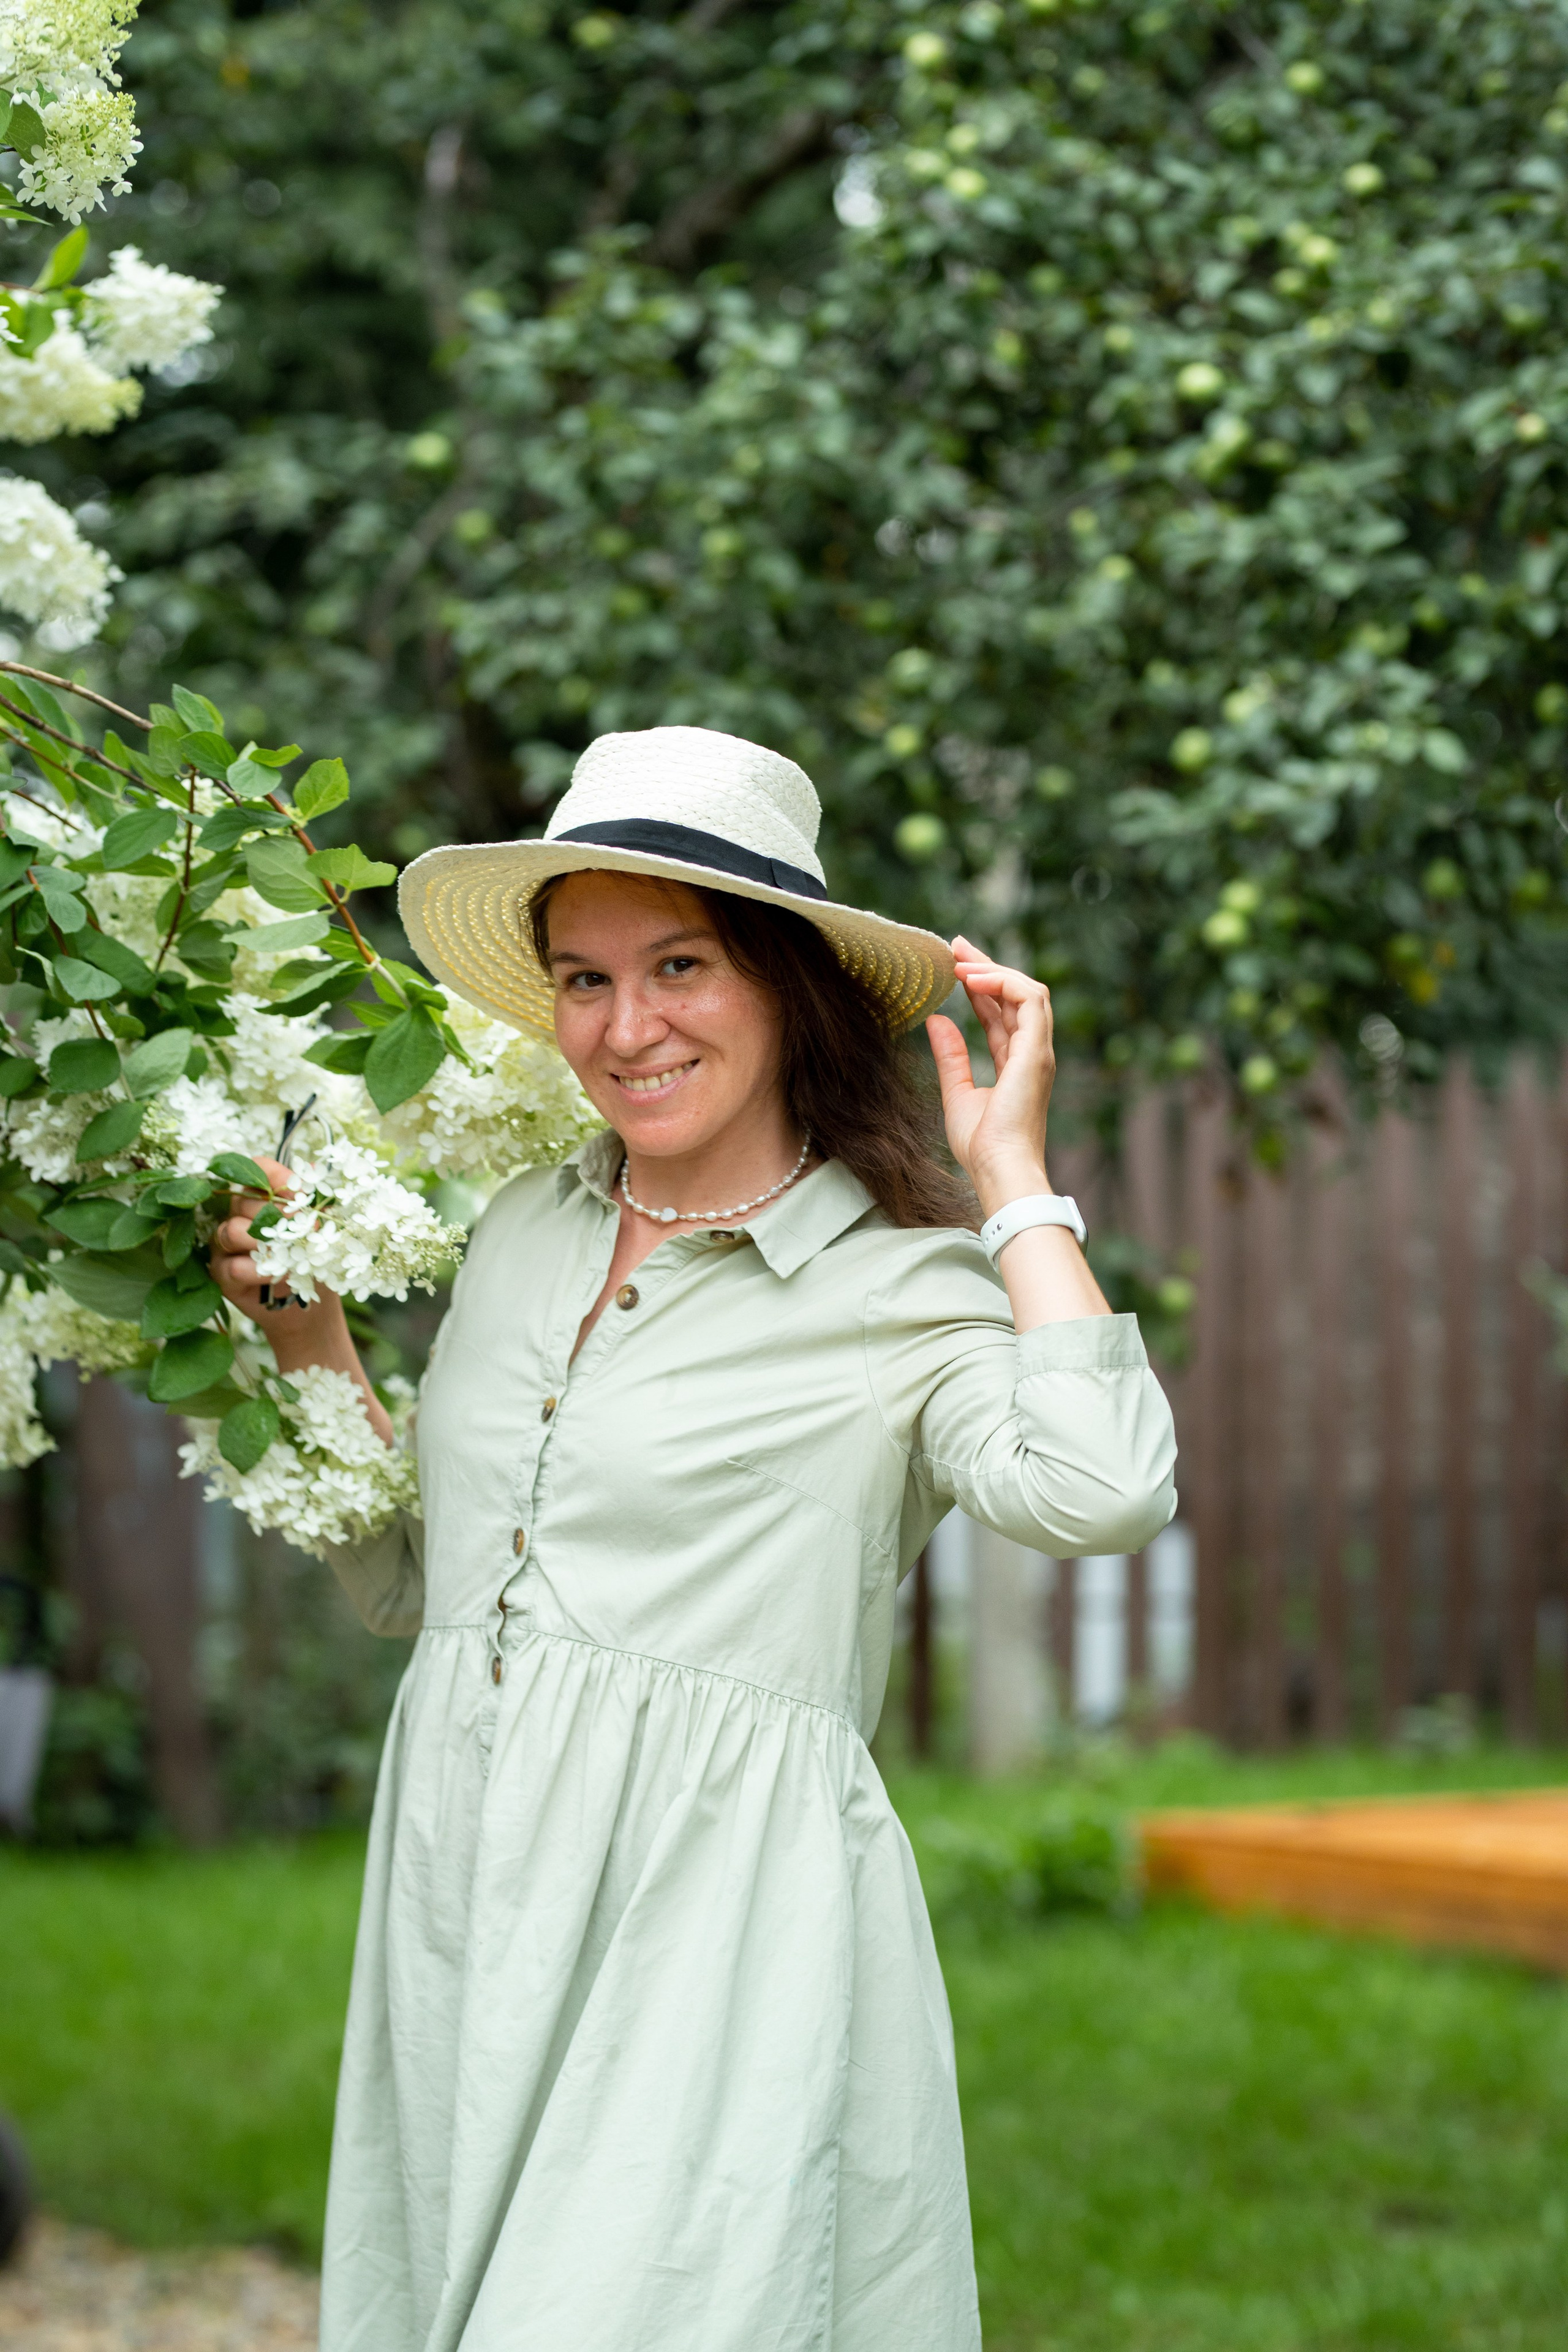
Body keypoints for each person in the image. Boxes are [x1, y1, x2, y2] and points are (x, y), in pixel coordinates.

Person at [213, 725, 1177, 2352]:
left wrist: (1012, 1184)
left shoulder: (897, 1289)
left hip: (713, 1928)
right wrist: (310, 1343)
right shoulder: (524, 1232)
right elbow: (415, 1592)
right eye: (583, 979)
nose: (627, 1025)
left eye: (681, 965)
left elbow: (1102, 1487)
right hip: (463, 1896)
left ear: (790, 986)